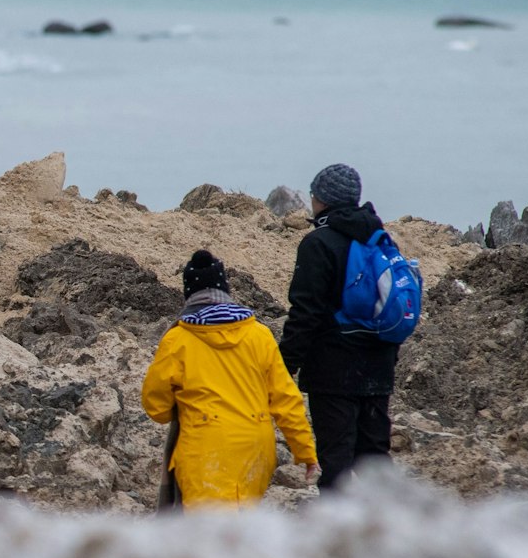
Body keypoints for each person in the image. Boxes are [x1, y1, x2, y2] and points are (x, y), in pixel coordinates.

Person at [142, 250, 317, 508]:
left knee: (208, 536)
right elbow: (286, 399)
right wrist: (305, 451)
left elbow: (156, 408)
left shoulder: (177, 340)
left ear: (189, 295)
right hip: (256, 447)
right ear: (225, 290)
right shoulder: (260, 335)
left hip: (204, 449)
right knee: (241, 528)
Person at [279, 163, 400, 490]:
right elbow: (393, 303)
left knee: (336, 461)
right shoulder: (380, 239)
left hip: (333, 372)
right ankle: (394, 529)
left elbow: (305, 313)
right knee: (375, 457)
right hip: (378, 366)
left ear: (322, 200)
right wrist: (389, 360)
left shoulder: (318, 243)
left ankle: (338, 534)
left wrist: (282, 367)